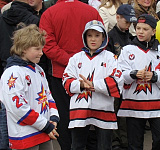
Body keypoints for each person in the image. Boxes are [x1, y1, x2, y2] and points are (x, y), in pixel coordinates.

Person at [39, 1, 103, 149]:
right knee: (90, 116)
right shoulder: (91, 11)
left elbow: (48, 46)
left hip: (60, 74)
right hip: (89, 74)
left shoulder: (49, 13)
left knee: (65, 118)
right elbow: (102, 39)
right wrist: (81, 61)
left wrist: (72, 61)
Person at [117, 14, 160, 150]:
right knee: (134, 142)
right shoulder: (127, 50)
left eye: (145, 29)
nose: (140, 32)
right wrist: (133, 74)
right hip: (133, 105)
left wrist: (155, 76)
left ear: (154, 31)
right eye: (138, 28)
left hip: (156, 105)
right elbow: (118, 74)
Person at [62, 20, 123, 150]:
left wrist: (94, 85)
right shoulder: (75, 58)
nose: (93, 39)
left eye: (97, 35)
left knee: (104, 147)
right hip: (79, 110)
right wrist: (81, 85)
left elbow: (117, 81)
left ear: (104, 38)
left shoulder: (111, 58)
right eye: (89, 35)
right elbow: (66, 80)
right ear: (84, 37)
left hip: (104, 110)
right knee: (77, 146)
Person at [0, 23, 59, 150]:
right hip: (24, 136)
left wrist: (53, 117)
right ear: (23, 48)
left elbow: (48, 95)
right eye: (37, 49)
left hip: (44, 132)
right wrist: (44, 124)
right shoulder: (12, 73)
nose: (41, 53)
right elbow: (18, 108)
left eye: (42, 49)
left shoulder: (38, 69)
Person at [106, 4, 136, 150]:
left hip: (129, 81)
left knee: (126, 112)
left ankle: (126, 140)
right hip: (116, 81)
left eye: (131, 22)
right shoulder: (110, 37)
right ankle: (116, 141)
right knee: (115, 111)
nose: (129, 25)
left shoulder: (131, 36)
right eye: (126, 21)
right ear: (117, 18)